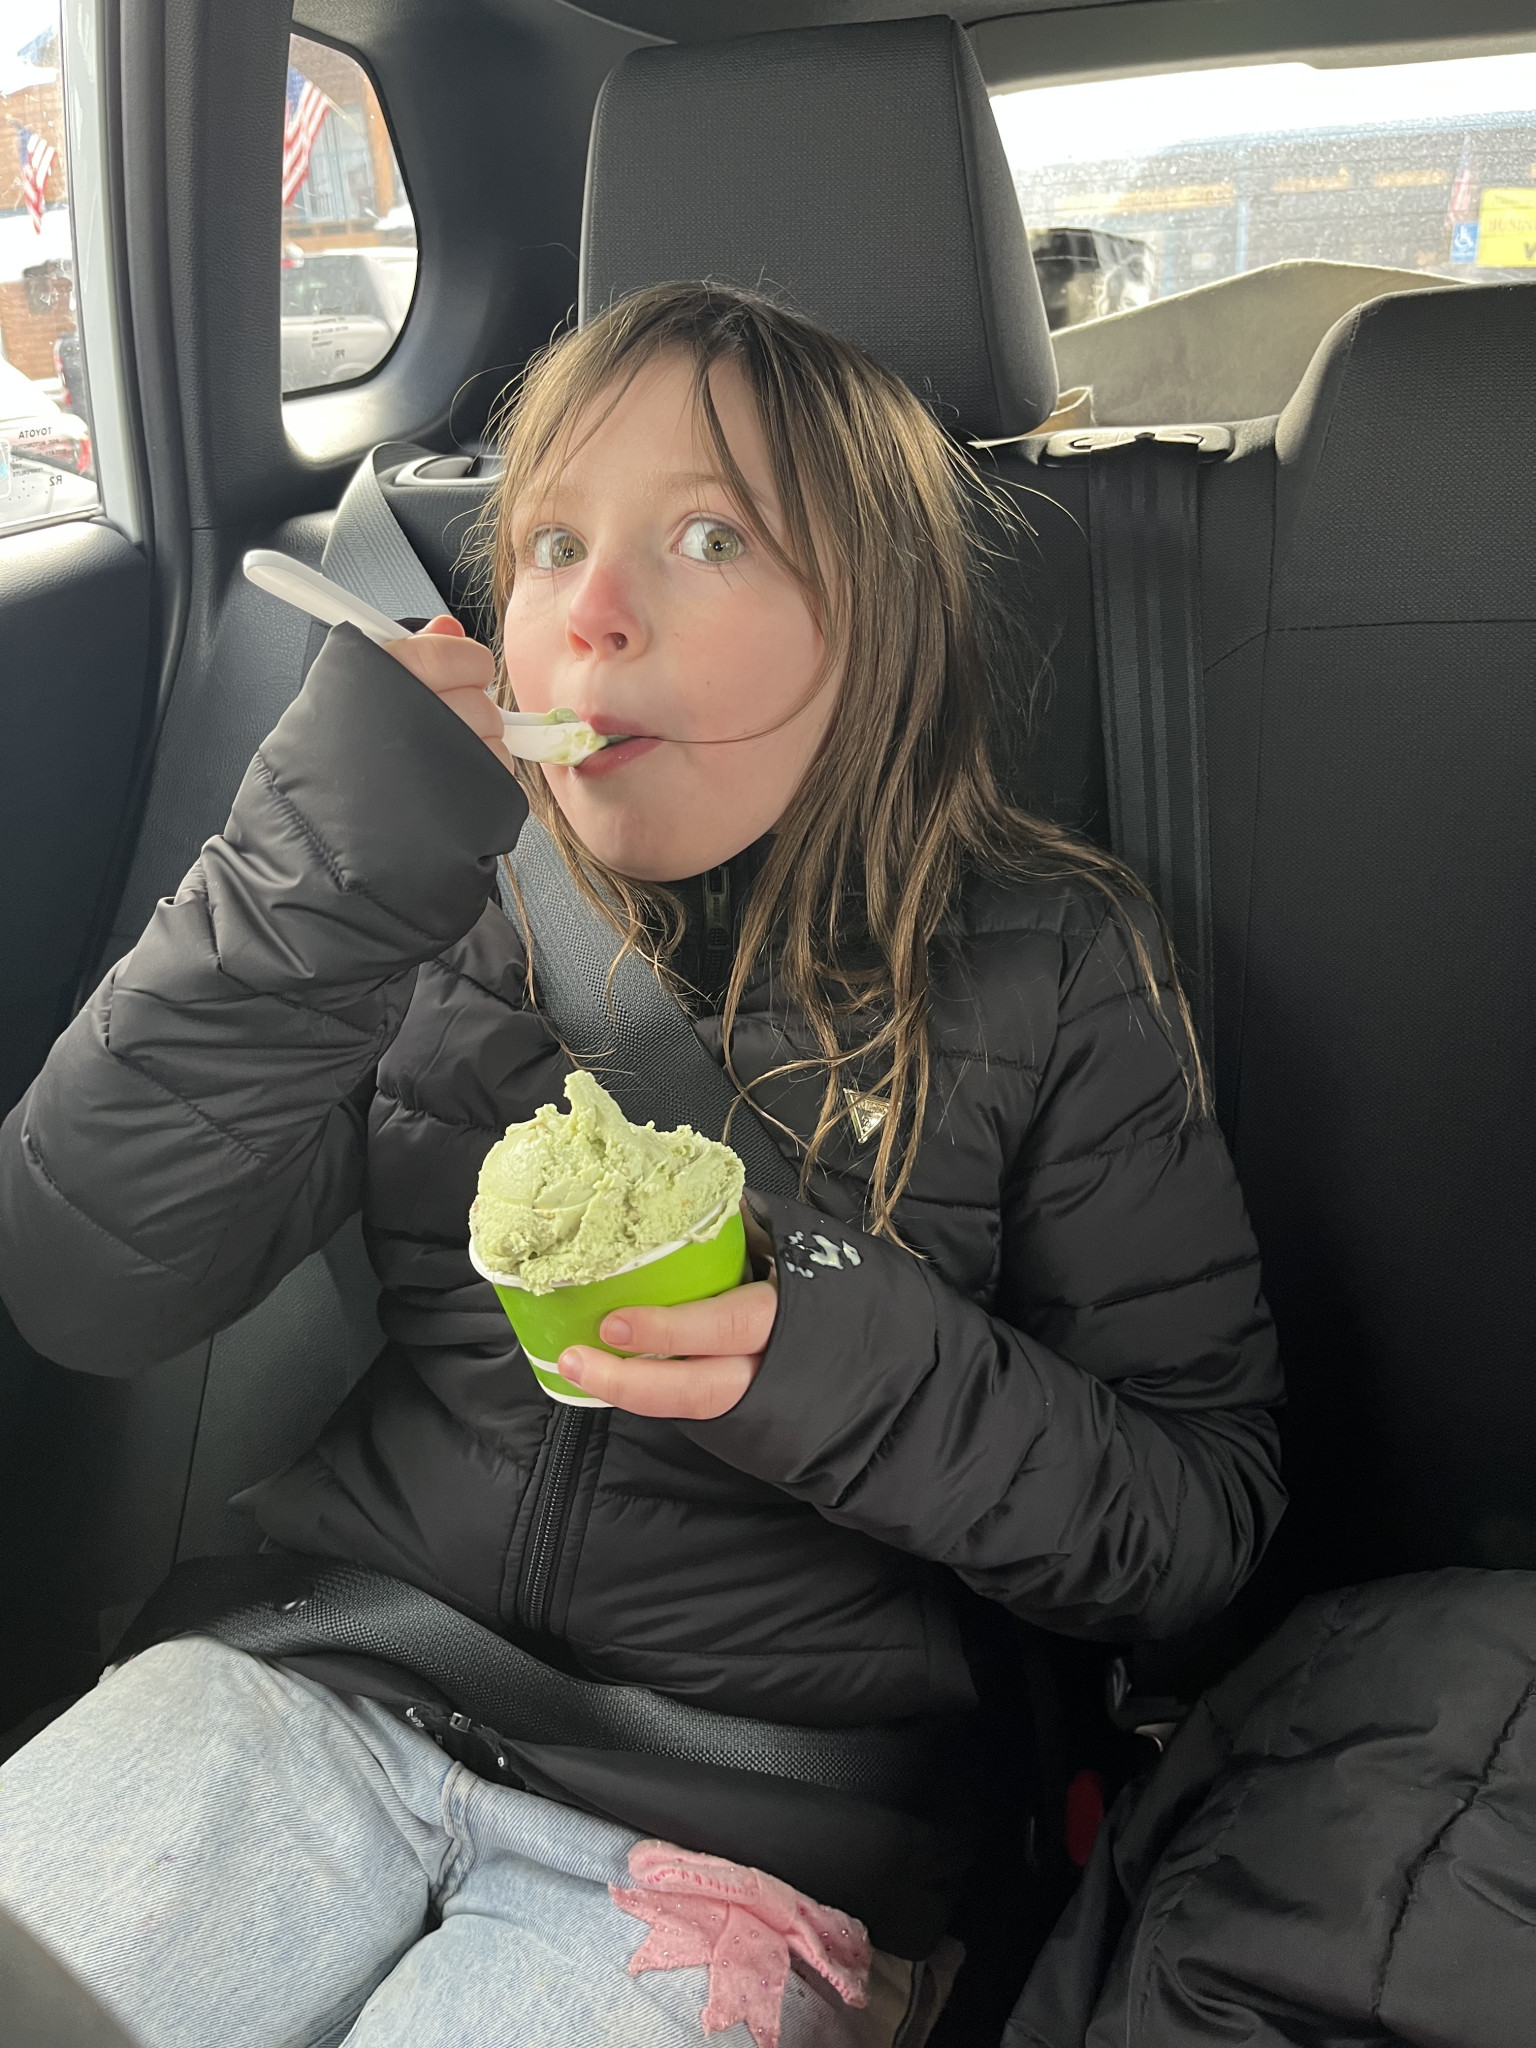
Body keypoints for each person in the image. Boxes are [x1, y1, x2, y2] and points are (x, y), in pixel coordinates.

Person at [0, 282, 1284, 2048]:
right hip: (313, 1678)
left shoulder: (1054, 967)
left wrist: (825, 1343)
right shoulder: (419, 890)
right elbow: (86, 1273)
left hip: (759, 1819)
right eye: (548, 544)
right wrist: (321, 870)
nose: (591, 611)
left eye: (710, 537)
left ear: (884, 623)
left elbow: (1196, 1525)